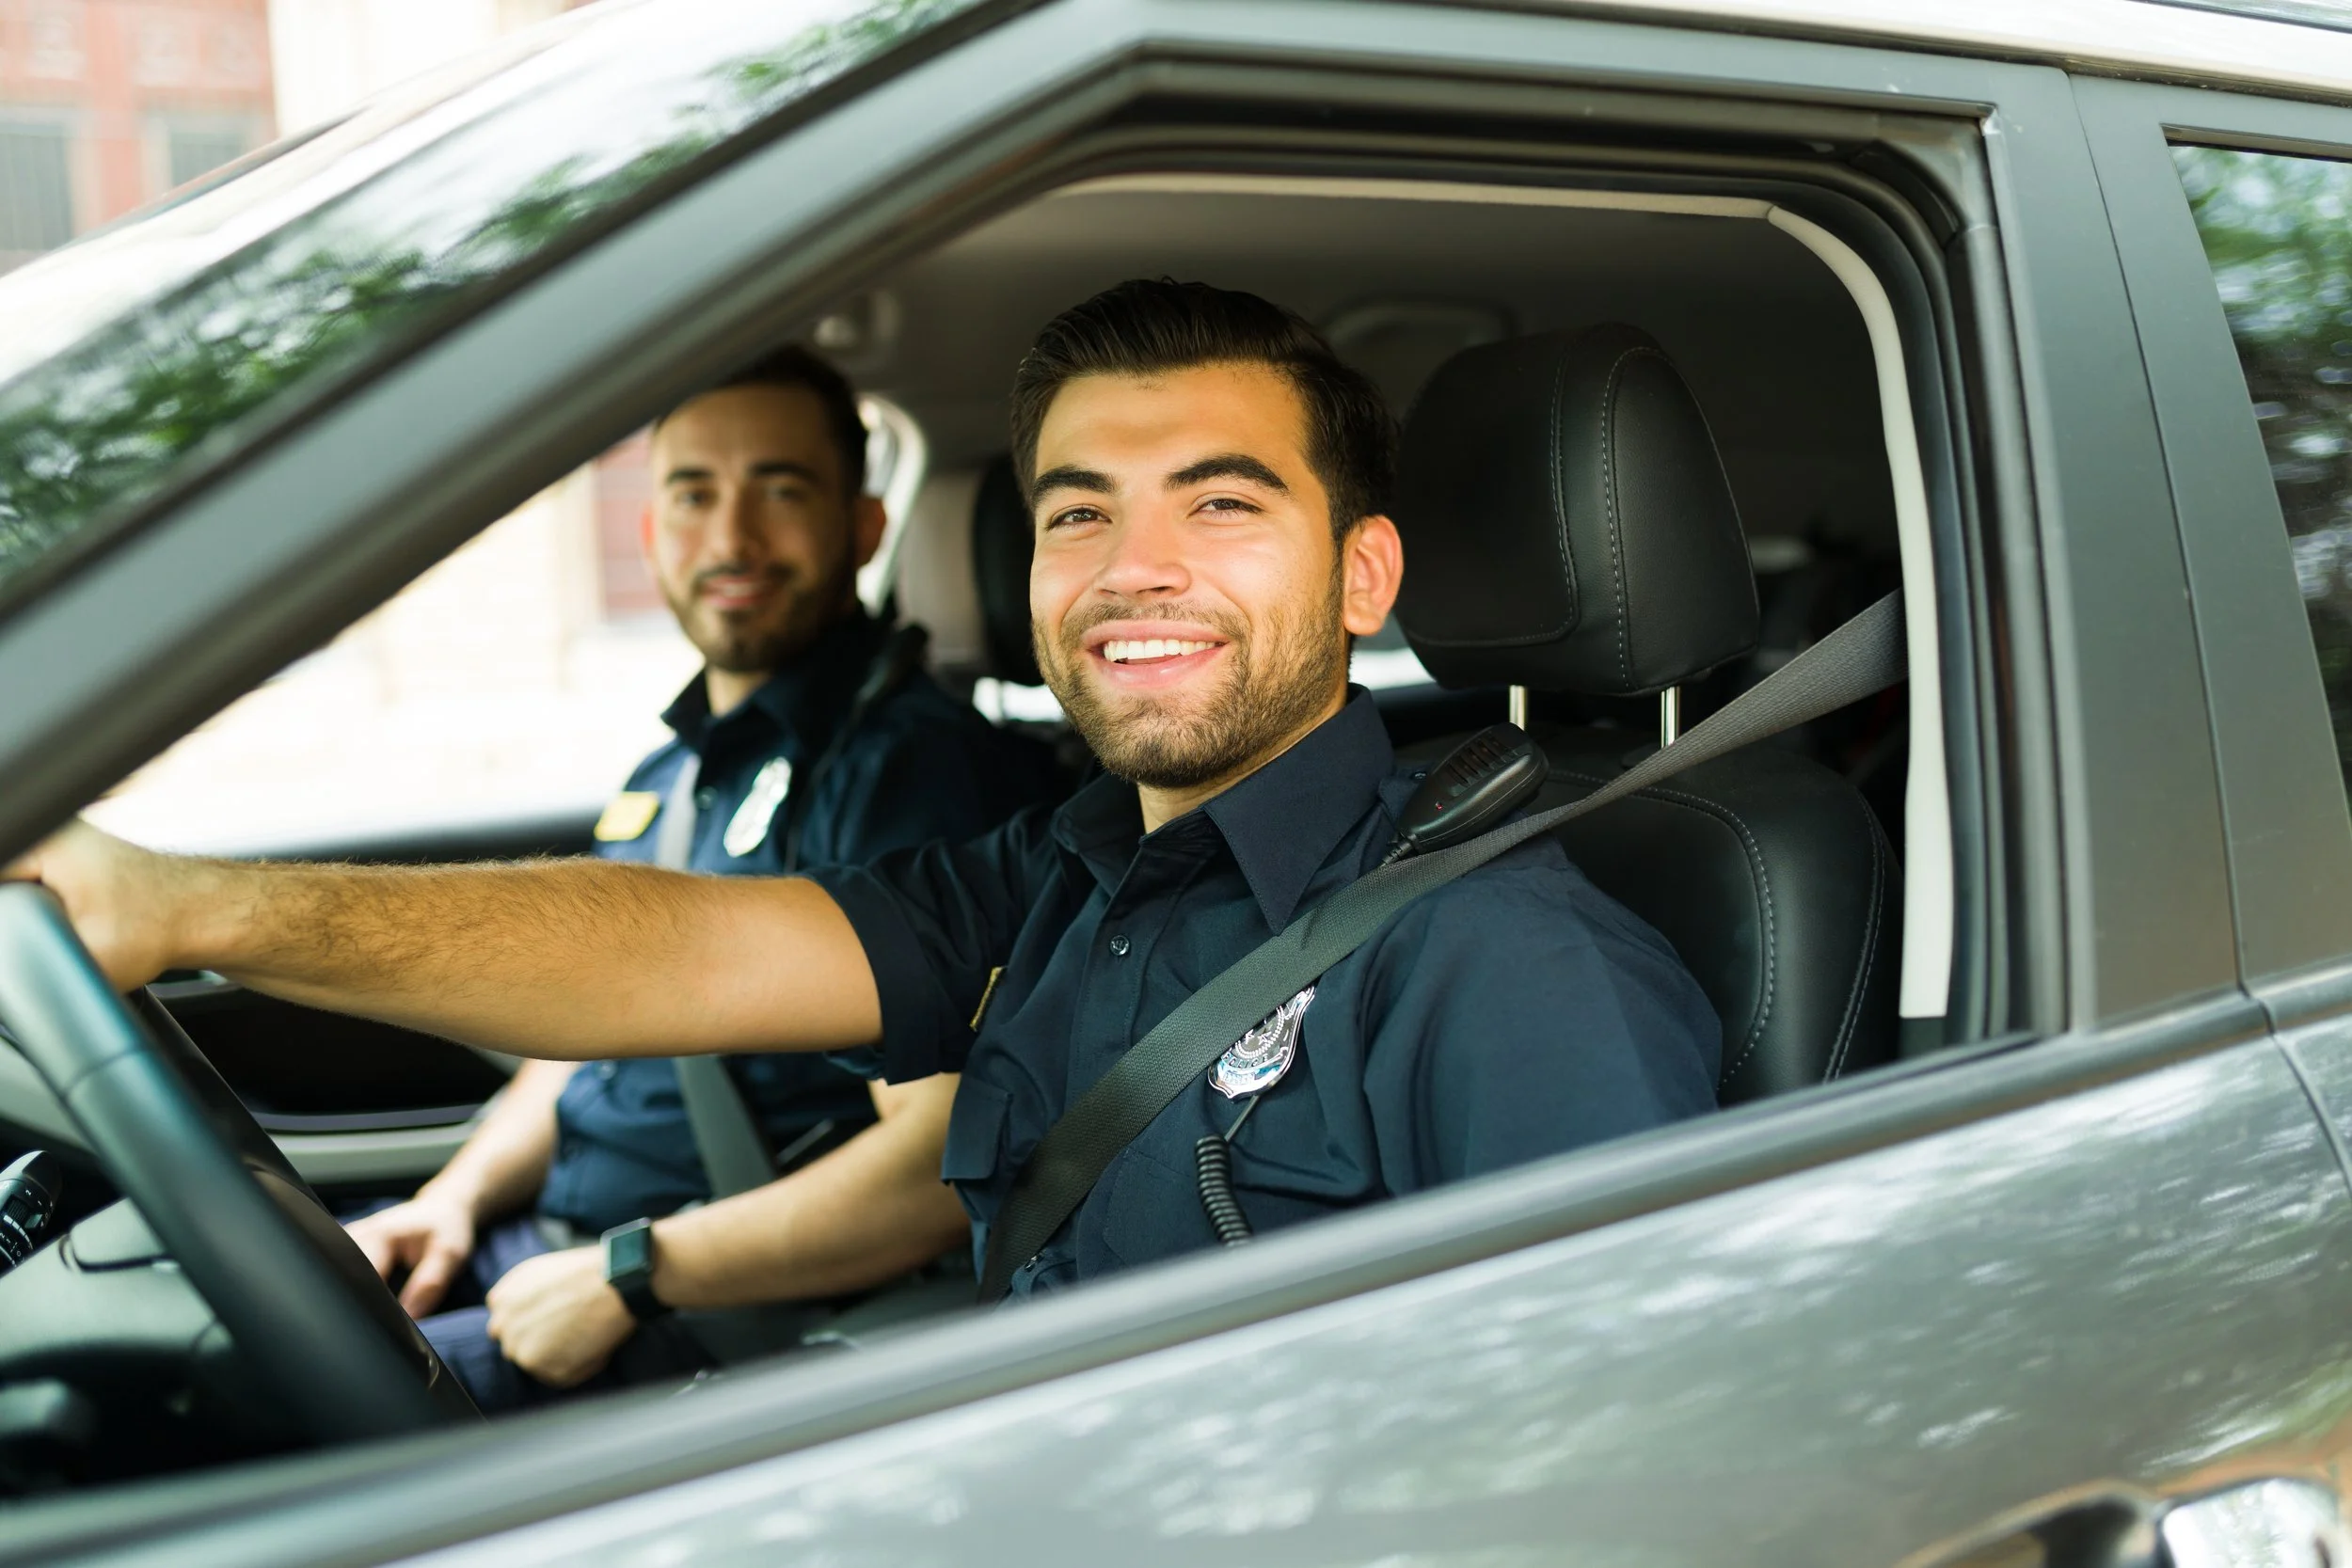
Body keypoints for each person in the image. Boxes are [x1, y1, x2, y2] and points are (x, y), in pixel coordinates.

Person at [12, 280, 1719, 1310]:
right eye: (1076, 513)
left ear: (1364, 579)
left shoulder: (1506, 965)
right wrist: (193, 908)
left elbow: (1649, 1467)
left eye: (1220, 507)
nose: (1133, 571)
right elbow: (668, 957)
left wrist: (635, 1278)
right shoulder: (1053, 875)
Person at [347, 347, 1056, 1407]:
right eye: (692, 493)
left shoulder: (907, 774)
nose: (730, 537)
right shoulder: (677, 767)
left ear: (862, 528)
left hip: (711, 1318)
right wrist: (454, 1196)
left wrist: (632, 1274)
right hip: (553, 1251)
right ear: (651, 534)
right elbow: (580, 1038)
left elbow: (933, 1174)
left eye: (781, 489)